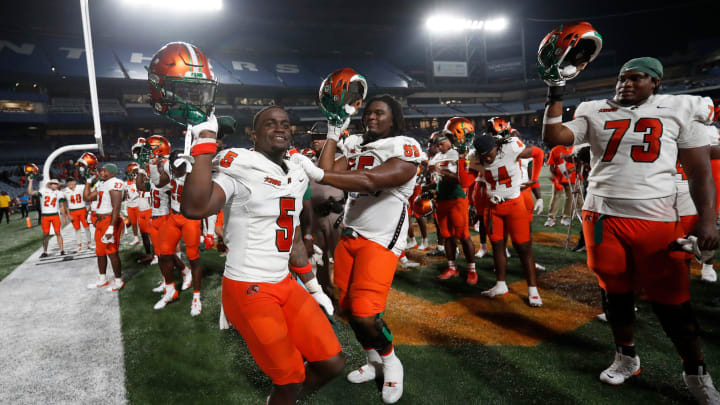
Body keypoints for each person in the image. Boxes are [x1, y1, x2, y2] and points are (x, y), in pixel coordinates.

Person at [542, 56, 720, 401]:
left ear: (655, 82)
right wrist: (554, 91)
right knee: (613, 289)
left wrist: (707, 219)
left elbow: (699, 172)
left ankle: (696, 371)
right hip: (599, 217)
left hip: (655, 217)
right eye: (622, 78)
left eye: (636, 78)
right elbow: (555, 136)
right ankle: (625, 356)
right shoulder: (593, 109)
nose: (626, 83)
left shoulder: (680, 107)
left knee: (672, 302)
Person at [181, 108, 344, 405]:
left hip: (284, 281)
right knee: (290, 378)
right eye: (270, 124)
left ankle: (286, 400)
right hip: (248, 287)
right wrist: (204, 142)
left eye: (285, 124)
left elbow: (292, 235)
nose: (280, 128)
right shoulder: (239, 165)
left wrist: (313, 286)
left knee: (333, 363)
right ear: (253, 135)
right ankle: (283, 397)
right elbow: (195, 207)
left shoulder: (295, 169)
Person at [299, 94, 423, 404]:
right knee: (347, 307)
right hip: (351, 234)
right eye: (368, 113)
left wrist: (319, 173)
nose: (371, 118)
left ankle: (392, 362)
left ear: (393, 117)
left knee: (367, 314)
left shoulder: (404, 145)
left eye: (380, 113)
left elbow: (369, 180)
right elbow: (326, 172)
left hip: (381, 239)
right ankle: (372, 361)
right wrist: (332, 131)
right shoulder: (357, 144)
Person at [462, 135, 543, 306]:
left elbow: (538, 153)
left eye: (489, 153)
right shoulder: (474, 157)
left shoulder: (511, 147)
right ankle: (500, 285)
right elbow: (466, 180)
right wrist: (461, 163)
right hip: (493, 208)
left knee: (523, 247)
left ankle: (533, 289)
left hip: (515, 205)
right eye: (483, 155)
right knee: (498, 246)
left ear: (497, 147)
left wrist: (533, 180)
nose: (487, 158)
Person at [428, 131, 477, 284]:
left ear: (449, 141)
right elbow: (437, 181)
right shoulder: (436, 157)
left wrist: (440, 171)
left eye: (441, 143)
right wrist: (428, 188)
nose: (438, 146)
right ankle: (452, 267)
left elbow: (461, 180)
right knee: (447, 235)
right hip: (441, 201)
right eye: (436, 144)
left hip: (456, 199)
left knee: (463, 235)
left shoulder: (457, 154)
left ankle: (472, 270)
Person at [308, 121, 345, 296]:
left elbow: (326, 173)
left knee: (341, 257)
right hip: (314, 215)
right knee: (319, 258)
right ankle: (326, 292)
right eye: (313, 137)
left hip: (334, 213)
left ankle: (347, 294)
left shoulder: (340, 157)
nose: (315, 140)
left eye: (320, 137)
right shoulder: (308, 159)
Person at [84, 164, 125, 292]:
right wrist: (88, 181)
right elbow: (87, 197)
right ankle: (102, 279)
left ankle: (118, 280)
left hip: (109, 220)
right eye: (101, 171)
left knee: (112, 252)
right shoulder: (102, 184)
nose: (101, 173)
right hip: (101, 221)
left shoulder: (115, 182)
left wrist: (111, 227)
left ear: (112, 172)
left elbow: (116, 206)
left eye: (104, 171)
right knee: (100, 252)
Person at [27, 177, 65, 257]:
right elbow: (30, 192)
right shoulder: (43, 191)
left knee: (58, 233)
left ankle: (62, 250)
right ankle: (45, 251)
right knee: (45, 234)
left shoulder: (59, 193)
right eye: (54, 184)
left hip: (55, 215)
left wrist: (64, 216)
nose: (55, 185)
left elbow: (61, 206)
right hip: (45, 216)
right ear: (50, 185)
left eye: (56, 184)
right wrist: (30, 181)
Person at [61, 177, 92, 252]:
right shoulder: (64, 191)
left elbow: (89, 196)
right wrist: (68, 215)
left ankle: (89, 243)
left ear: (75, 182)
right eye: (68, 182)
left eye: (71, 181)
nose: (70, 183)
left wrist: (90, 207)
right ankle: (79, 245)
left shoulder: (81, 187)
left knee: (87, 227)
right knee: (77, 229)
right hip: (73, 211)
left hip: (83, 209)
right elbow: (64, 205)